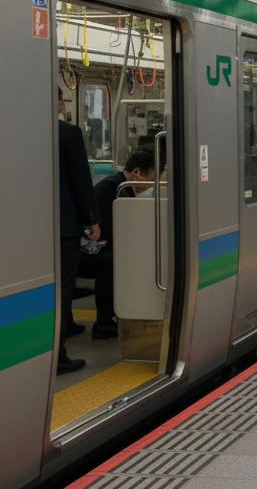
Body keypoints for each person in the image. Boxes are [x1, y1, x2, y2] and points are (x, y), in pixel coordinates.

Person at [86, 149, 158, 339]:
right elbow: (109, 234)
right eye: (149, 181)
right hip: (89, 251)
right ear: (137, 172)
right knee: (112, 263)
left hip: (102, 245)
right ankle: (103, 321)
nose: (149, 187)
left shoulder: (121, 187)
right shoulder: (111, 191)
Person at [57, 90, 100, 374]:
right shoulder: (68, 133)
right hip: (64, 227)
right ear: (59, 103)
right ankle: (58, 356)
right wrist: (92, 220)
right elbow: (80, 180)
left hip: (27, 229)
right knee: (62, 290)